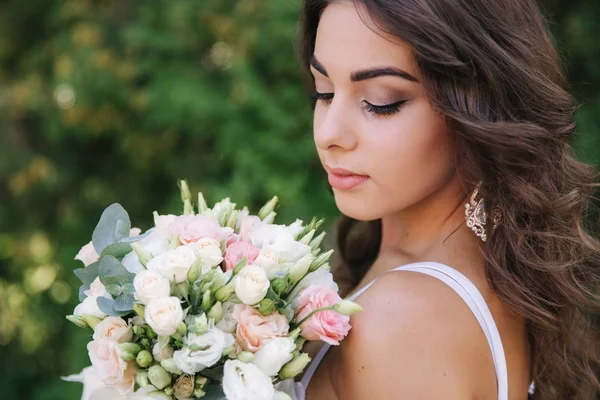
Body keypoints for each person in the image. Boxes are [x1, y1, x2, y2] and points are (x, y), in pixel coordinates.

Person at [278, 0, 600, 399]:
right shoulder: (496, 271)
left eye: (380, 102)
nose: (329, 132)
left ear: (477, 108)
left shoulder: (401, 321)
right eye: (323, 93)